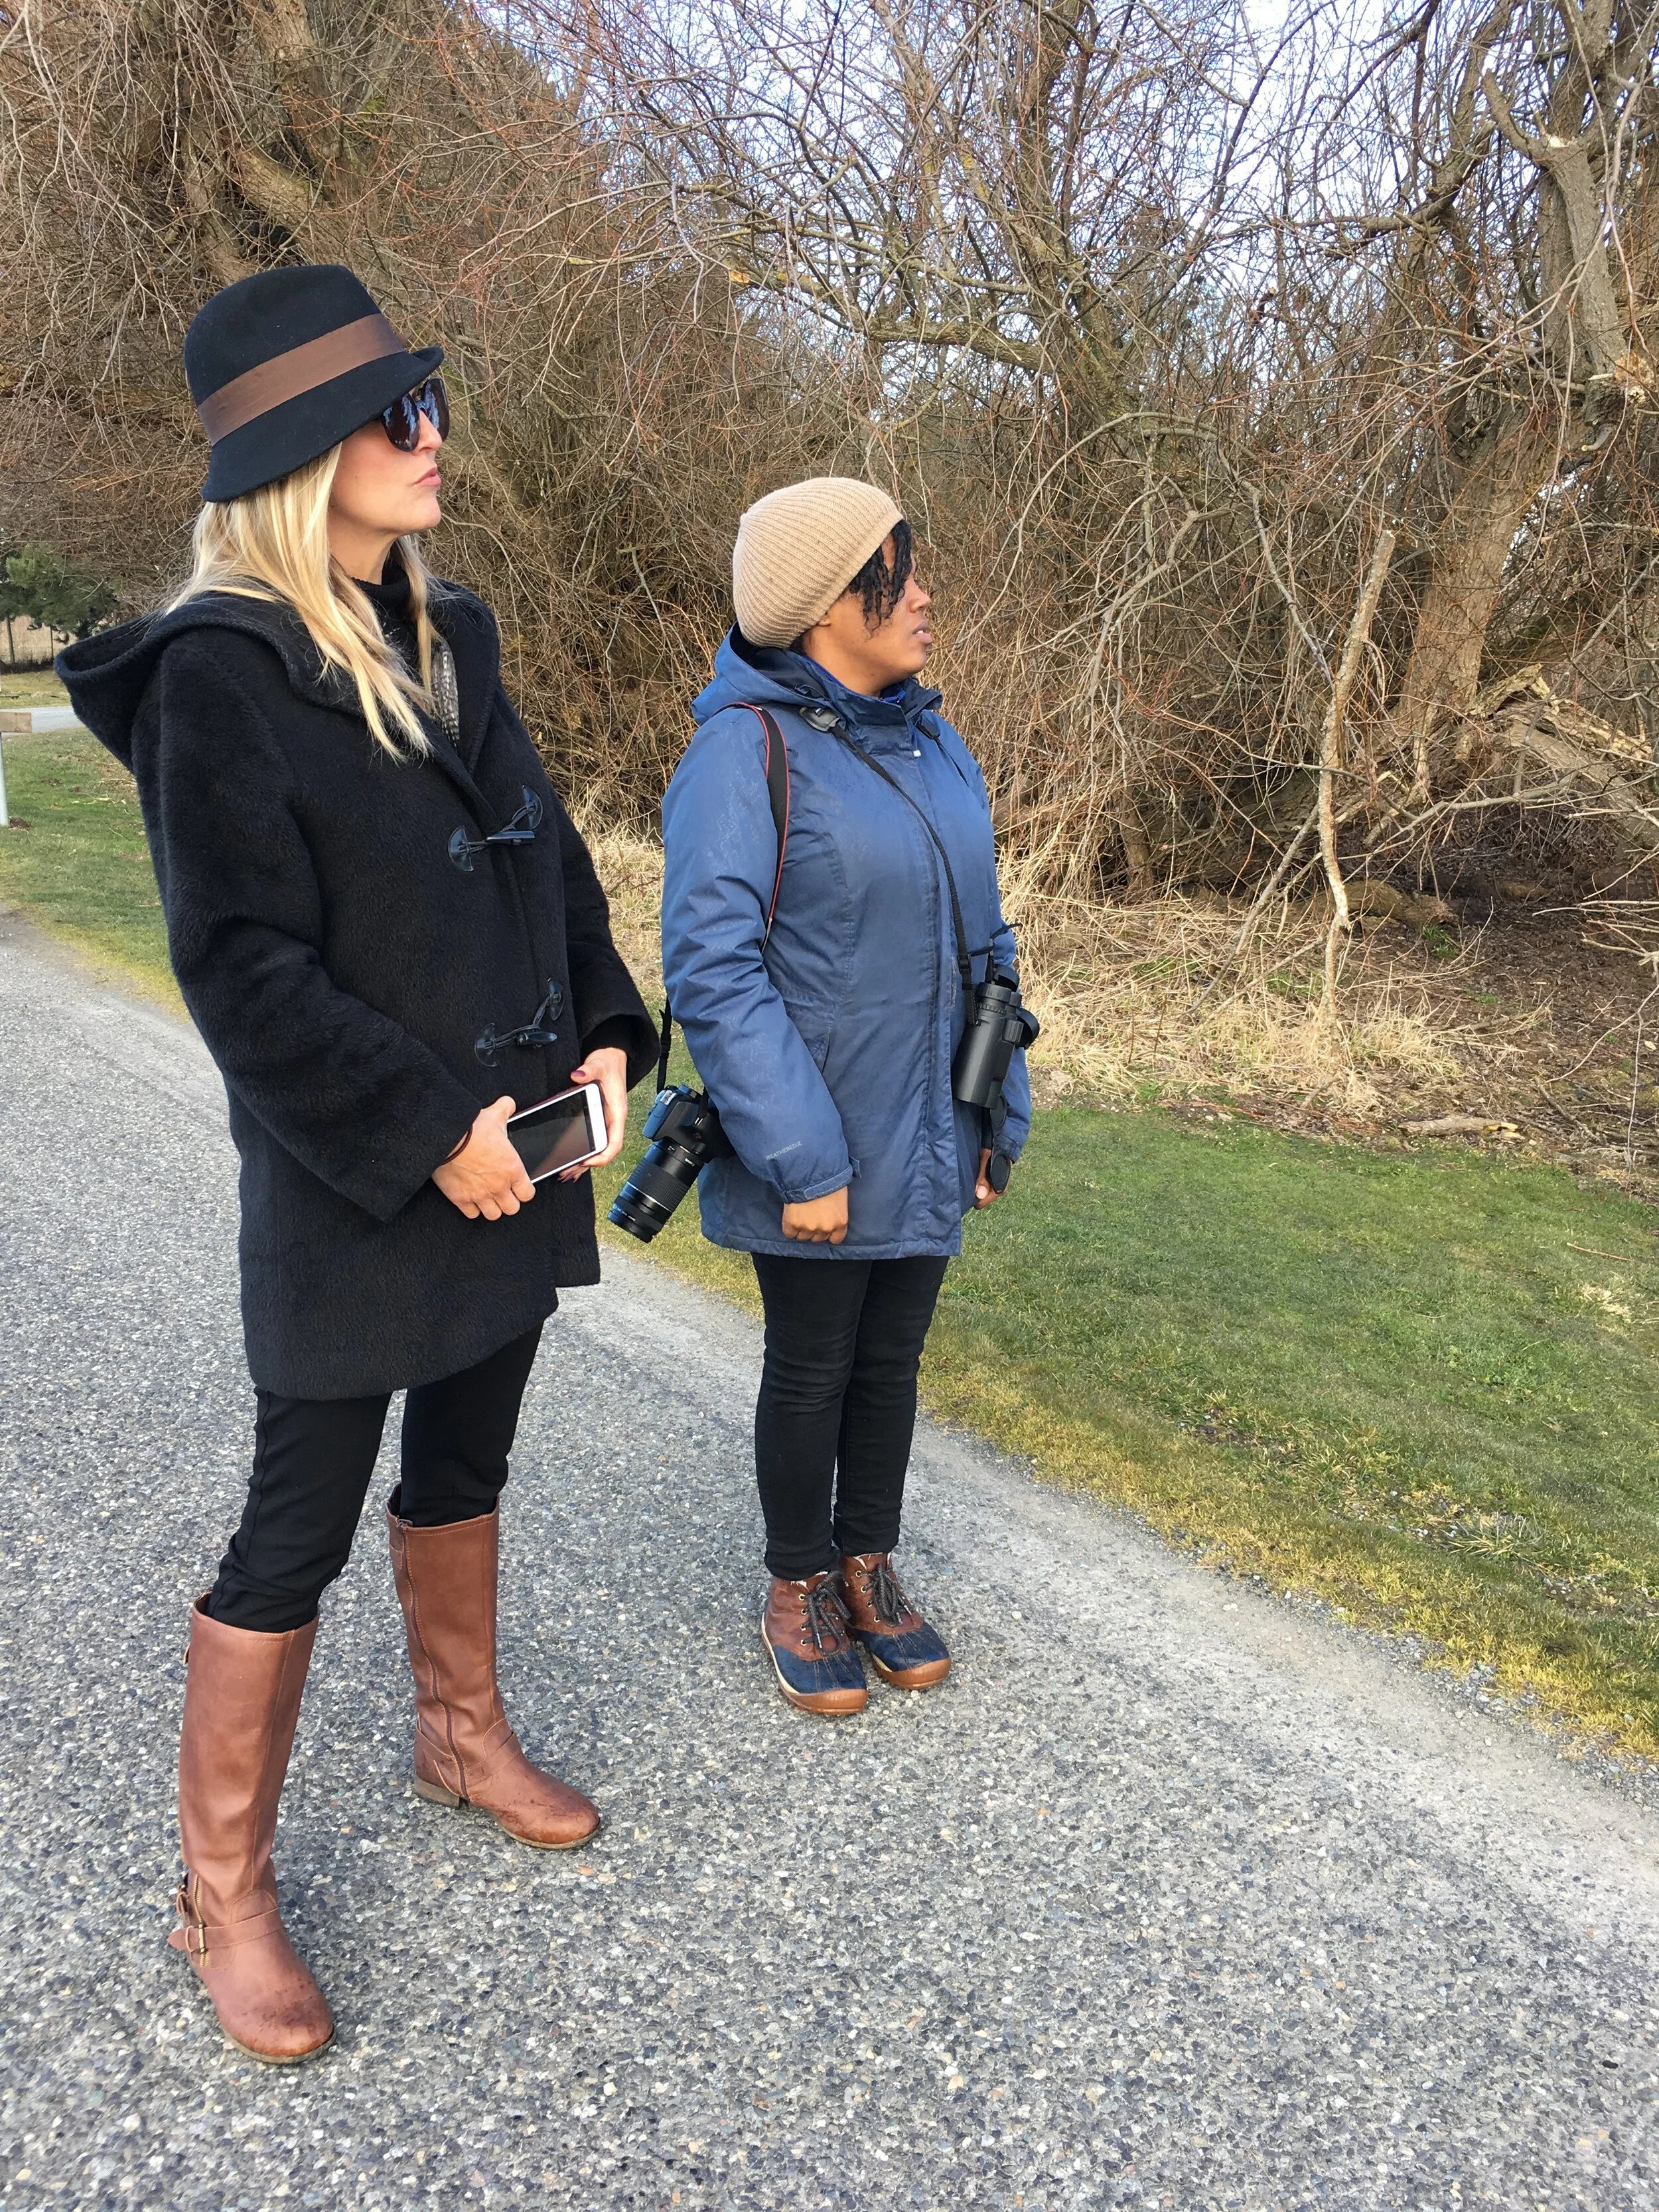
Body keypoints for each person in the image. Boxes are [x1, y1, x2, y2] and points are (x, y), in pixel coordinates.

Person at [58, 265, 656, 2065]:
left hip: (521, 1159)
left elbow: (547, 868)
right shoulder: (217, 677)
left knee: (468, 1453)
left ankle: (457, 1735)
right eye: (396, 414)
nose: (433, 438)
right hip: (356, 1181)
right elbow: (241, 966)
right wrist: (423, 1134)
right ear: (300, 454)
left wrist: (613, 1033)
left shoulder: (450, 632)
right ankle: (221, 1891)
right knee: (294, 1525)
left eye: (434, 399)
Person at [660, 477, 1031, 1718]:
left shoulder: (934, 741)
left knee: (894, 1361)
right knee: (814, 1365)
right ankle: (797, 1582)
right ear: (827, 607)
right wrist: (803, 1159)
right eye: (897, 571)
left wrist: (998, 1113)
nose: (923, 595)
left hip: (932, 1125)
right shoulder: (743, 749)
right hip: (819, 1132)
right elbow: (712, 968)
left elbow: (990, 950)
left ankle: (868, 1564)